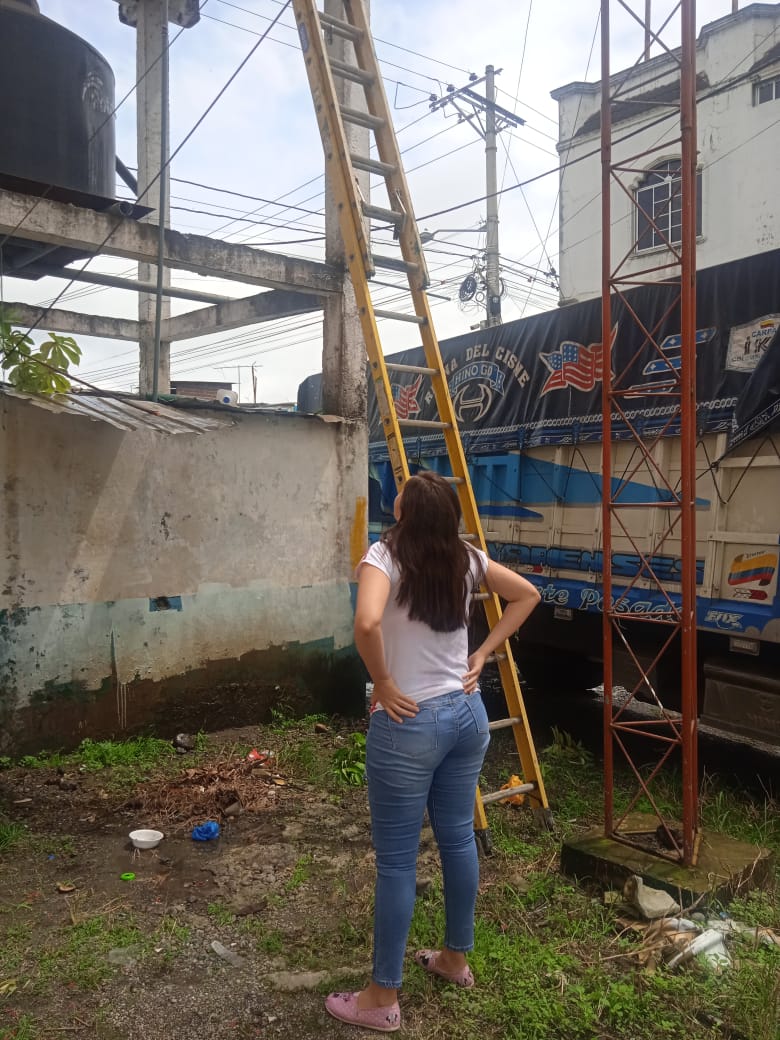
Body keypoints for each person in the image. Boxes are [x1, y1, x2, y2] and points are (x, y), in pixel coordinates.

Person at [325, 471, 541, 1033]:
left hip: (409, 722)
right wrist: (483, 654)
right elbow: (528, 595)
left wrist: (383, 682)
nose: (395, 493)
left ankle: (381, 998)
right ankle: (454, 959)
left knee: (398, 862)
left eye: (402, 491)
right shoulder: (466, 557)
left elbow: (367, 622)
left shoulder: (384, 556)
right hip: (467, 716)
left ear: (405, 512)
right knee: (458, 839)